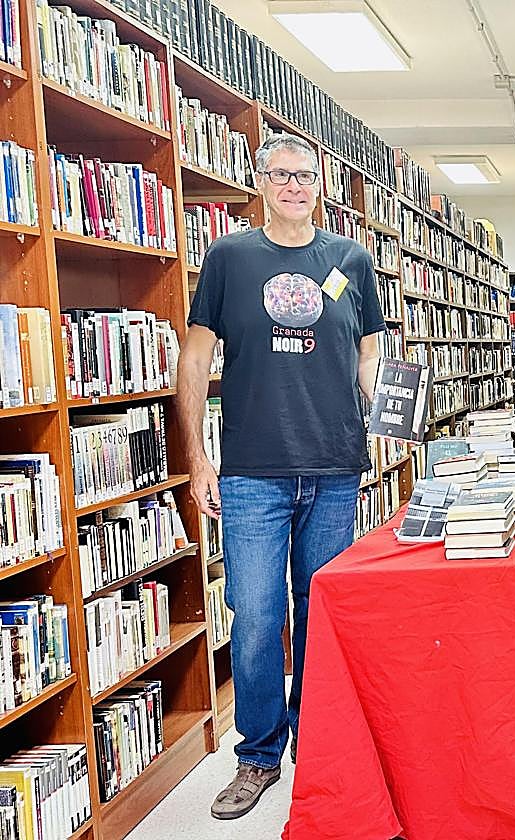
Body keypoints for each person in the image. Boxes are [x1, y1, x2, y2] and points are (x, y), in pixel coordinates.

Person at [177, 132, 385, 820]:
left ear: (320, 184)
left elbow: (369, 358)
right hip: (252, 473)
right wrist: (197, 459)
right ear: (260, 182)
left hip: (333, 466)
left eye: (305, 176)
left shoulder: (350, 259)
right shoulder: (230, 258)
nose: (295, 186)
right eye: (281, 174)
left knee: (321, 614)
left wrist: (389, 425)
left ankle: (320, 741)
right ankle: (259, 755)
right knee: (259, 618)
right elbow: (195, 358)